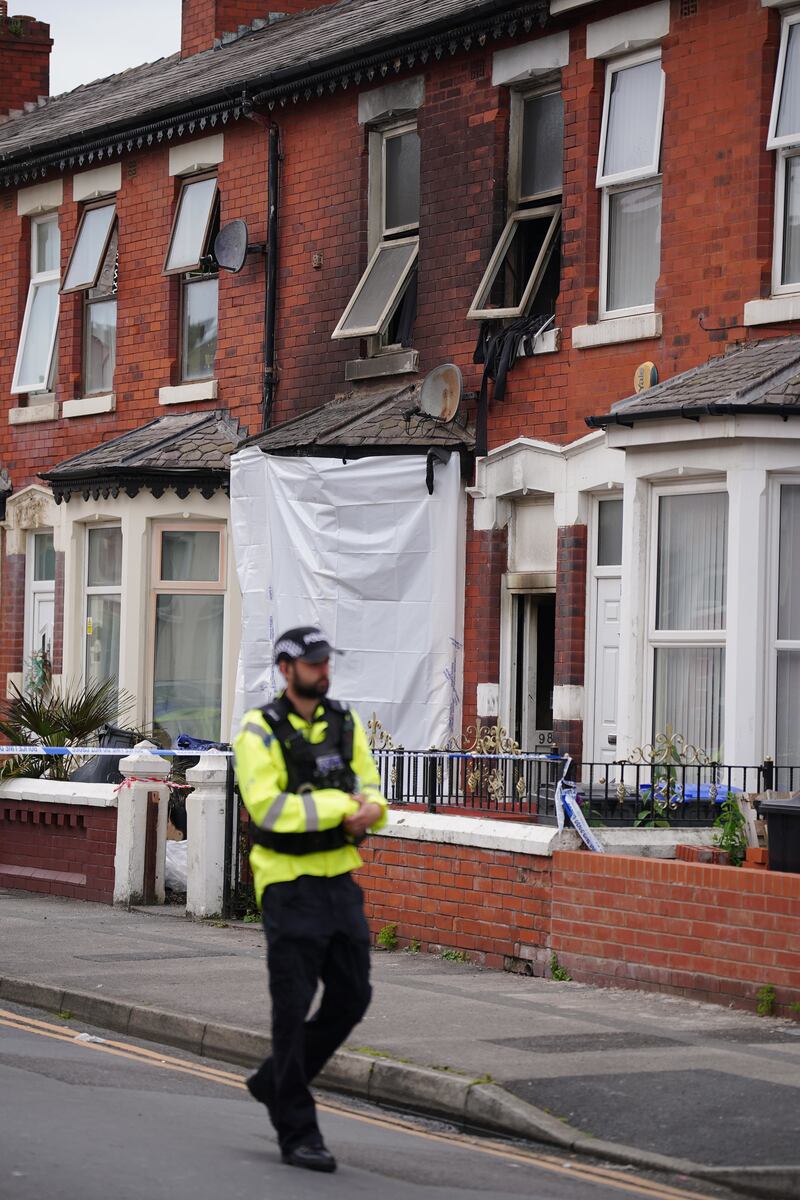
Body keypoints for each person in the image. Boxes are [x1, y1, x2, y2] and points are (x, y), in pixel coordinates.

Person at [233, 625, 387, 1174]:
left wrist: (370, 808)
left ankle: (275, 1080)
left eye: (327, 662)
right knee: (292, 1008)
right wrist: (339, 808)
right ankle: (297, 1130)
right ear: (286, 669)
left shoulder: (344, 723)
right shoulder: (259, 731)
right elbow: (268, 808)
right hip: (287, 885)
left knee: (353, 997)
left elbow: (370, 787)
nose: (324, 670)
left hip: (340, 879)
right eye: (314, 663)